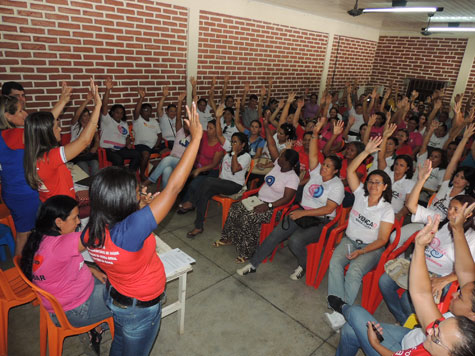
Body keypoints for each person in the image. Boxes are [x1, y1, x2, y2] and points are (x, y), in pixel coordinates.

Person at [81, 102, 202, 356]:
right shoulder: (131, 230)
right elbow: (173, 189)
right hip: (139, 308)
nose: (143, 192)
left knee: (121, 344)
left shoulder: (91, 228)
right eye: (137, 192)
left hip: (117, 297)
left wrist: (140, 206)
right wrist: (196, 139)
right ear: (122, 201)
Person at [333, 205, 475, 356]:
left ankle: (342, 307)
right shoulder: (455, 332)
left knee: (355, 313)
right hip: (408, 337)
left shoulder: (452, 339)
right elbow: (424, 292)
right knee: (349, 330)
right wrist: (455, 229)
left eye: (437, 337)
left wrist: (376, 344)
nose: (430, 330)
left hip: (396, 351)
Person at [236, 118, 344, 280]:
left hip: (321, 221)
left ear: (335, 171)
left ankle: (303, 265)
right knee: (274, 235)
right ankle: (253, 264)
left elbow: (329, 209)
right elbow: (314, 153)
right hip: (302, 213)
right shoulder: (316, 173)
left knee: (295, 241)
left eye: (328, 166)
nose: (324, 168)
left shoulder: (337, 186)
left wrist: (303, 214)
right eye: (324, 164)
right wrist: (315, 133)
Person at [20, 195, 112, 355]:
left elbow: (58, 267)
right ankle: (98, 327)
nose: (78, 222)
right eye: (75, 217)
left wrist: (92, 270)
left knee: (116, 285)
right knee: (131, 302)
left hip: (68, 298)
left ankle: (96, 327)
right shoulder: (62, 245)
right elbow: (100, 234)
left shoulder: (41, 236)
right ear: (58, 221)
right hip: (76, 309)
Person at [325, 137, 395, 331]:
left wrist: (361, 252)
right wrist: (366, 152)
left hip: (370, 249)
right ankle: (338, 305)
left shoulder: (386, 209)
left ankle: (342, 311)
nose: (373, 185)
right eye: (371, 181)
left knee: (355, 271)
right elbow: (349, 170)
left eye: (378, 182)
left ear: (385, 187)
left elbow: (382, 240)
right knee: (335, 262)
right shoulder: (360, 195)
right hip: (350, 240)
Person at [218, 117, 299, 263]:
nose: (277, 158)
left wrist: (267, 206)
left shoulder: (293, 178)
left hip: (273, 208)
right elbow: (272, 145)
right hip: (258, 200)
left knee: (250, 217)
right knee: (236, 208)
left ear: (288, 162)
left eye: (281, 157)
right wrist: (267, 127)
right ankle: (229, 238)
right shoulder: (278, 166)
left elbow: (286, 199)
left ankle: (247, 252)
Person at [23, 80, 101, 203]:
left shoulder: (35, 152)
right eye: (56, 127)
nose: (60, 129)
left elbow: (46, 123)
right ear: (46, 133)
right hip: (63, 209)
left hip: (56, 203)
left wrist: (63, 101)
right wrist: (97, 106)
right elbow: (84, 141)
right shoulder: (50, 158)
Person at [185, 131, 251, 238]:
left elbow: (234, 169)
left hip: (234, 186)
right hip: (221, 183)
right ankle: (198, 226)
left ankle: (192, 202)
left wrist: (234, 153)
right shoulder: (229, 152)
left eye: (236, 142)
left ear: (242, 144)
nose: (233, 144)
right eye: (232, 142)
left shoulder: (246, 156)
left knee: (208, 180)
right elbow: (220, 136)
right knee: (204, 194)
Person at [0, 94, 40, 255]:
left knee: (27, 232)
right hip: (23, 193)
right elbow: (43, 125)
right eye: (21, 111)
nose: (26, 114)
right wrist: (62, 102)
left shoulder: (4, 136)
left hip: (12, 190)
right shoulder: (15, 135)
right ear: (7, 116)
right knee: (24, 235)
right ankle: (22, 272)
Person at [177, 119, 225, 213]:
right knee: (183, 178)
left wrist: (199, 170)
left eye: (211, 128)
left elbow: (214, 164)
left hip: (210, 171)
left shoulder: (219, 145)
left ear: (217, 130)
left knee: (195, 183)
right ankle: (183, 201)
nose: (208, 129)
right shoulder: (204, 135)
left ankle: (190, 203)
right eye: (207, 127)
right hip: (197, 166)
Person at [143, 92, 188, 190]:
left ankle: (149, 180)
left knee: (167, 159)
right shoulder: (178, 130)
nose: (173, 113)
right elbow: (159, 108)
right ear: (167, 112)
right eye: (171, 111)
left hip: (181, 159)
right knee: (166, 170)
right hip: (168, 144)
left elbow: (179, 116)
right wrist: (165, 96)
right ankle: (165, 194)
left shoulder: (193, 138)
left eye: (174, 111)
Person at [99, 77, 140, 171]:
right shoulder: (107, 120)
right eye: (117, 112)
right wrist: (107, 90)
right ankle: (119, 182)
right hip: (109, 150)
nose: (119, 115)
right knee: (118, 160)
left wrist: (128, 142)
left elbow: (127, 136)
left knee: (137, 154)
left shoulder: (124, 123)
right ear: (112, 112)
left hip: (121, 149)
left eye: (121, 113)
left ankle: (129, 175)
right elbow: (104, 105)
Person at [377, 123, 415, 222]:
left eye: (401, 165)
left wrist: (399, 215)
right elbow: (381, 157)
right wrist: (385, 137)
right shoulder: (387, 173)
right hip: (377, 207)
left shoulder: (409, 183)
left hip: (393, 213)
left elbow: (408, 205)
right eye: (396, 164)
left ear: (407, 168)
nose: (397, 167)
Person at [133, 88, 162, 181]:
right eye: (145, 110)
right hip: (142, 145)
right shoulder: (138, 120)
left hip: (154, 146)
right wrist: (141, 98)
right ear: (141, 111)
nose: (148, 112)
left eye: (149, 110)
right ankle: (142, 175)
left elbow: (159, 135)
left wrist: (157, 144)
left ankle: (162, 173)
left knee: (169, 151)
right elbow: (136, 111)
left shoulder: (154, 121)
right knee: (145, 155)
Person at [70, 89, 100, 176]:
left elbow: (97, 140)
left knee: (95, 166)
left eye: (88, 115)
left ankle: (95, 187)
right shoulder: (75, 126)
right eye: (84, 116)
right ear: (80, 117)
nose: (87, 118)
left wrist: (95, 147)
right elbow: (77, 114)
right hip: (77, 154)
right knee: (85, 170)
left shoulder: (92, 126)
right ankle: (86, 188)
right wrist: (87, 100)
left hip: (89, 153)